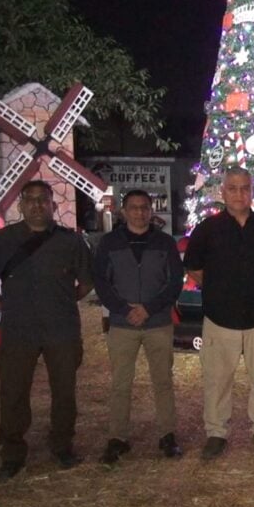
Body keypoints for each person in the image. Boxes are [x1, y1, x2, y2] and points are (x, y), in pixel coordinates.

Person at [0, 180, 93, 482]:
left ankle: (62, 445)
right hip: (19, 329)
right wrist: (3, 307)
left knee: (64, 392)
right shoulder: (3, 240)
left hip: (61, 328)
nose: (37, 205)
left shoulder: (71, 242)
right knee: (13, 392)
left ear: (52, 204)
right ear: (21, 205)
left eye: (43, 200)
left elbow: (88, 282)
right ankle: (12, 454)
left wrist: (65, 300)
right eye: (31, 200)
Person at [183, 167, 254, 459]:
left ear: (252, 191)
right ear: (223, 191)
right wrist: (219, 287)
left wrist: (253, 284)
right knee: (217, 379)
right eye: (233, 188)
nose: (239, 194)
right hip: (220, 318)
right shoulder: (207, 229)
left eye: (245, 188)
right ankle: (216, 433)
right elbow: (193, 266)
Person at [93, 189, 185, 464]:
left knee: (163, 381)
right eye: (133, 207)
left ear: (151, 210)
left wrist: (149, 308)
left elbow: (174, 282)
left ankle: (168, 435)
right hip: (123, 324)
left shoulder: (164, 242)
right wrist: (124, 309)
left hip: (157, 322)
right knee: (121, 383)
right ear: (124, 211)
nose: (139, 212)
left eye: (144, 207)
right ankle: (117, 438)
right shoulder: (110, 243)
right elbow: (101, 281)